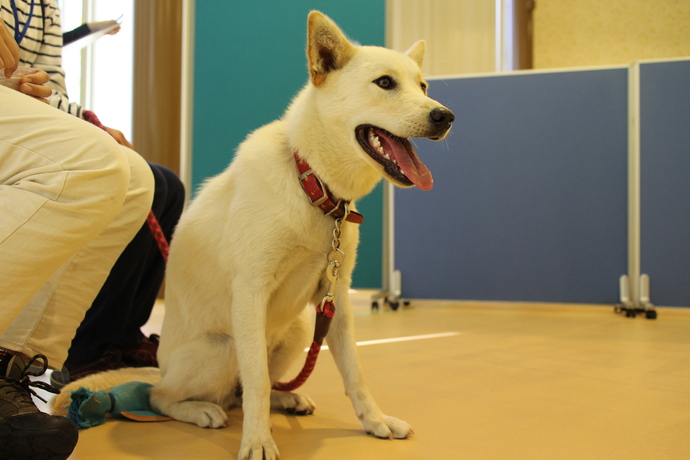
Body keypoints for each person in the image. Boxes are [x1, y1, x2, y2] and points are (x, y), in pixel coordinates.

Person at [0, 0, 184, 388]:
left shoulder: (45, 5)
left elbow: (51, 85)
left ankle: (19, 365)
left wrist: (82, 119)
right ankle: (92, 346)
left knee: (148, 180)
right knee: (98, 164)